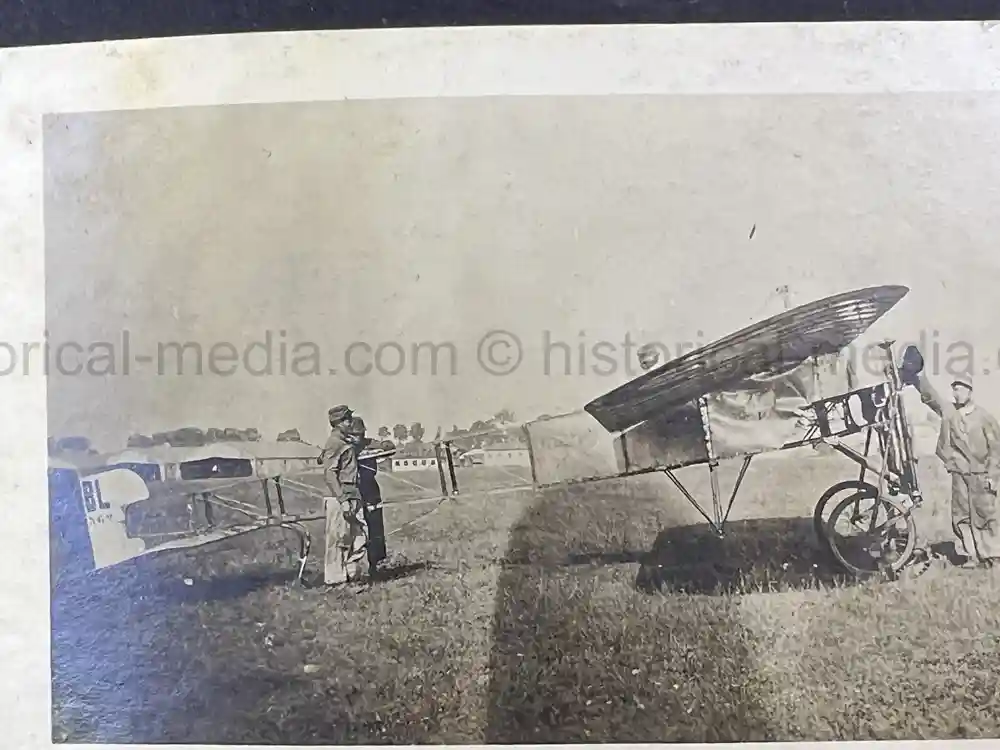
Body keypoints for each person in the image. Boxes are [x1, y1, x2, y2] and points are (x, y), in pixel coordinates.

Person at [915, 371, 1000, 568]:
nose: (957, 393)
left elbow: (996, 449)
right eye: (955, 389)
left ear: (970, 391)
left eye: (961, 389)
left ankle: (993, 555)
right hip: (960, 475)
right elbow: (931, 398)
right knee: (961, 515)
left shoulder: (984, 417)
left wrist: (993, 475)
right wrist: (918, 376)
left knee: (985, 514)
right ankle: (970, 555)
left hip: (982, 475)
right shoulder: (950, 414)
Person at [317, 404, 366, 584]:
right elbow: (329, 473)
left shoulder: (344, 442)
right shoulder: (334, 443)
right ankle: (336, 581)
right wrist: (343, 500)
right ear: (338, 423)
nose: (350, 422)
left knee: (358, 536)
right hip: (340, 496)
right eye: (347, 419)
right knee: (339, 539)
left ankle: (352, 576)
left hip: (352, 494)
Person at [346, 417, 388, 572]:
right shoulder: (345, 448)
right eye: (355, 434)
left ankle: (375, 563)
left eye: (361, 434)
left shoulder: (368, 443)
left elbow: (387, 446)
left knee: (375, 526)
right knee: (356, 528)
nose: (358, 437)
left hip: (370, 488)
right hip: (354, 490)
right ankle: (355, 566)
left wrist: (383, 446)